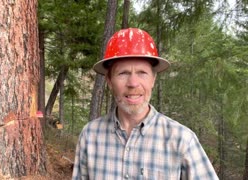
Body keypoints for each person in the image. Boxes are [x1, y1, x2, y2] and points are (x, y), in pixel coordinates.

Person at [72, 28, 219, 179]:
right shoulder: (90, 136)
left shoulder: (182, 140)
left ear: (153, 79)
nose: (133, 83)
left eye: (142, 73)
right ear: (109, 81)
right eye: (123, 73)